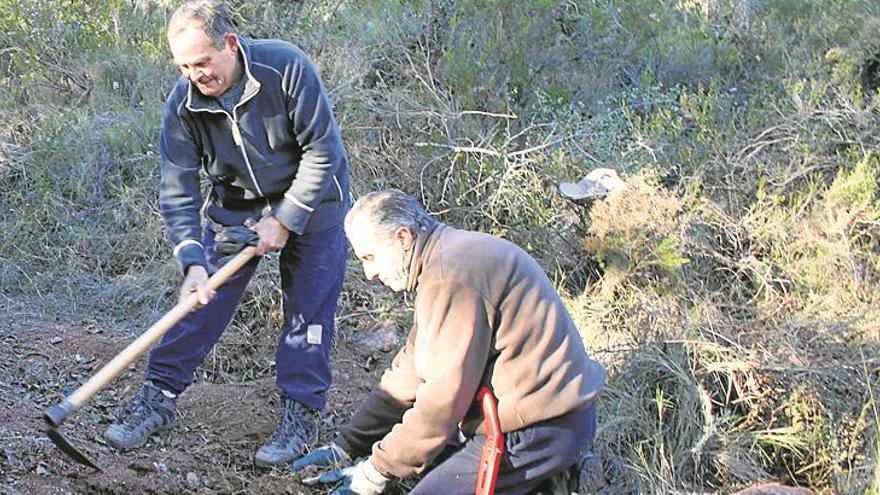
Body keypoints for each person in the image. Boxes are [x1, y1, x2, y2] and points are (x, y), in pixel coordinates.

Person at [104, 0, 351, 468]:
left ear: (230, 45)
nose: (196, 75)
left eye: (203, 62)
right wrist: (193, 261)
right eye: (184, 66)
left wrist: (285, 219)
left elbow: (323, 151)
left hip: (317, 205)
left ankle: (301, 417)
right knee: (203, 297)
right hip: (239, 211)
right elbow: (177, 189)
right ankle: (157, 397)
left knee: (308, 313)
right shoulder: (184, 105)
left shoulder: (286, 67)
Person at [292, 189, 606, 494]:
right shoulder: (444, 261)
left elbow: (442, 402)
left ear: (403, 238)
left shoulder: (450, 277)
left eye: (370, 257)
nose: (369, 272)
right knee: (418, 469)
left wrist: (375, 472)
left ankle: (554, 478)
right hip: (539, 419)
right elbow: (409, 375)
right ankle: (551, 480)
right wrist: (347, 447)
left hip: (537, 430)